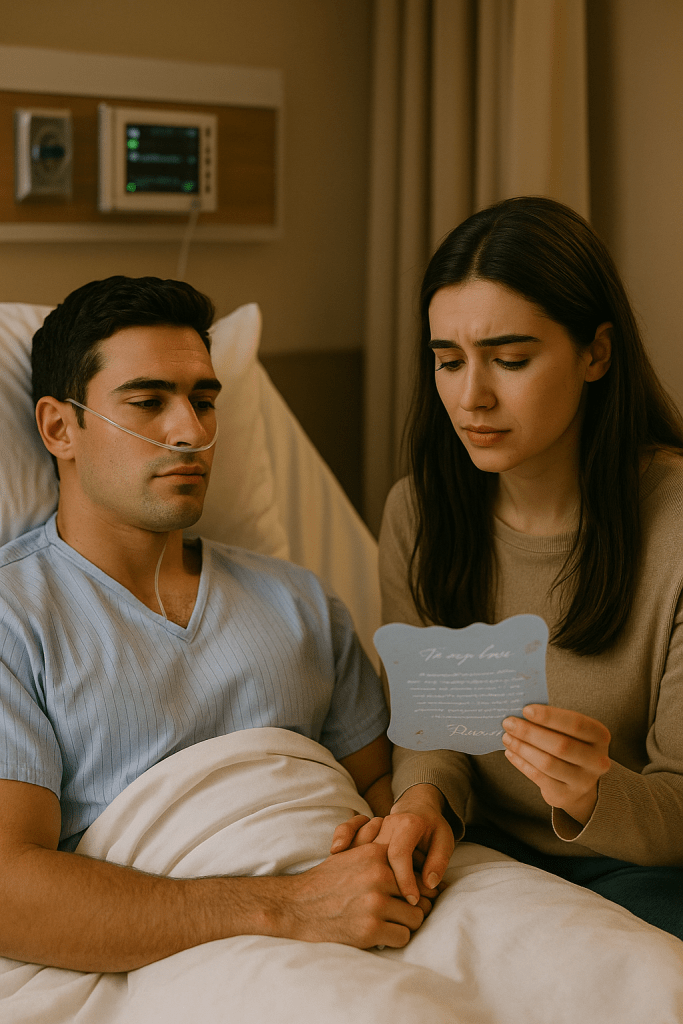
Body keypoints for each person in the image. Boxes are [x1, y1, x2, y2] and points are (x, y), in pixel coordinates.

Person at [0, 275, 437, 974]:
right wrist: (289, 908)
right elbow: (8, 892)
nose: (192, 432)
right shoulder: (14, 620)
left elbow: (390, 791)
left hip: (379, 909)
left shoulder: (299, 601)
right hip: (201, 957)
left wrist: (414, 828)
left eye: (204, 402)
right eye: (148, 403)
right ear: (60, 427)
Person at [333, 196, 683, 941]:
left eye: (510, 359)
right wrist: (421, 801)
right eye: (448, 361)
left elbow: (678, 810)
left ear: (596, 353)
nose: (471, 397)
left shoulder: (673, 526)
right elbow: (434, 729)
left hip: (643, 871)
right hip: (480, 856)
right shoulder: (419, 513)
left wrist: (593, 791)